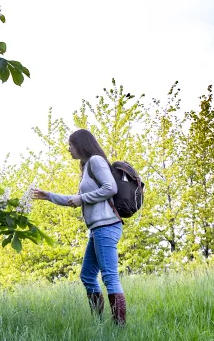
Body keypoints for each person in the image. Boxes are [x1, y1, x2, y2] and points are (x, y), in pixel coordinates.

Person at [31, 129, 126, 326]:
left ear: (81, 144)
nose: (68, 149)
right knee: (87, 276)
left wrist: (81, 198)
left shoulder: (96, 161)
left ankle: (120, 328)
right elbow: (74, 200)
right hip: (98, 229)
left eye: (71, 144)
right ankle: (99, 325)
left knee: (109, 276)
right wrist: (48, 195)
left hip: (106, 226)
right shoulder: (86, 168)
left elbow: (111, 188)